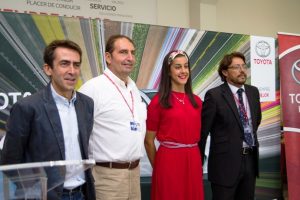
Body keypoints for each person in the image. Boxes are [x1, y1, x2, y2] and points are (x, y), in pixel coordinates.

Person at [0, 40, 96, 200]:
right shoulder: (27, 107)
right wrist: (32, 190)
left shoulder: (86, 104)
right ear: (48, 69)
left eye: (76, 65)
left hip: (81, 194)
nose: (72, 71)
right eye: (64, 64)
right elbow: (10, 161)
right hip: (44, 196)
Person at [79, 34, 147, 200]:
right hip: (107, 176)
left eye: (132, 52)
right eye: (123, 52)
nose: (130, 58)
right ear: (108, 57)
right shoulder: (93, 88)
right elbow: (78, 134)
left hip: (134, 173)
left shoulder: (133, 88)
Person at [199, 52, 262, 200]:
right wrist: (198, 163)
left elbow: (256, 121)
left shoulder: (253, 92)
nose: (242, 70)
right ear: (225, 72)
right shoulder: (214, 95)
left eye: (243, 66)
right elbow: (203, 132)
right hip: (224, 165)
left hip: (250, 161)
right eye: (236, 67)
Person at [144, 50, 204, 200]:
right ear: (168, 71)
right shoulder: (158, 102)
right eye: (178, 67)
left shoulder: (197, 102)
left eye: (186, 66)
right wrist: (159, 168)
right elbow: (148, 141)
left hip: (193, 159)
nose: (183, 71)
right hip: (168, 162)